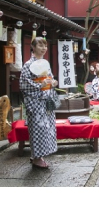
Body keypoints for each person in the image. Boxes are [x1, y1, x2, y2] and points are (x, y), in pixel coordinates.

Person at [19, 37, 58, 169]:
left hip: (46, 101)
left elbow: (50, 78)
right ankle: (37, 158)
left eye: (45, 45)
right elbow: (24, 84)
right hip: (35, 102)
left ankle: (37, 155)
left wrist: (53, 82)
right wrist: (41, 84)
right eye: (40, 45)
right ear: (33, 47)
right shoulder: (28, 65)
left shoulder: (44, 63)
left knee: (47, 129)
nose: (43, 48)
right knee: (38, 129)